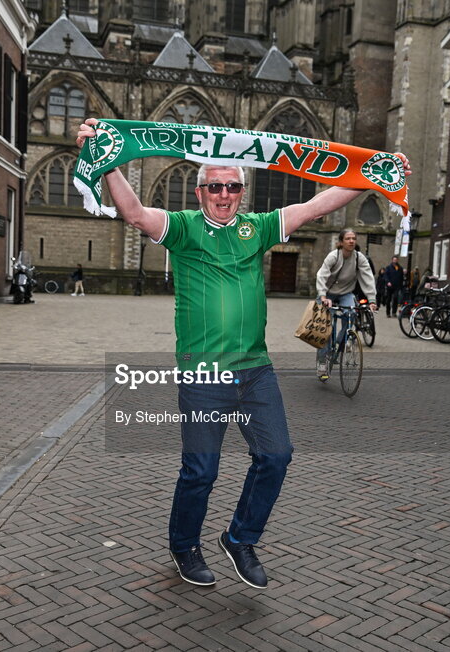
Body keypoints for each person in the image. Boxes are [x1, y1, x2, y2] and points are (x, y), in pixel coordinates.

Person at [77, 117, 411, 590]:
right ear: (200, 193)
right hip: (204, 373)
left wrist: (373, 174)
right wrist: (107, 160)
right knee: (201, 470)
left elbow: (317, 206)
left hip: (255, 371)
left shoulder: (258, 226)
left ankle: (239, 538)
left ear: (242, 191)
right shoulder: (184, 229)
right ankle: (183, 546)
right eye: (214, 187)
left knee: (276, 456)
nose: (224, 194)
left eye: (232, 186)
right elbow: (134, 214)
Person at [315, 230, 377, 379]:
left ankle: (339, 343)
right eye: (348, 239)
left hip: (345, 293)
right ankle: (322, 363)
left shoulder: (359, 258)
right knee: (324, 329)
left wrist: (372, 300)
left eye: (353, 238)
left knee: (351, 313)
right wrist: (322, 295)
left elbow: (367, 277)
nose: (351, 241)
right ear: (341, 242)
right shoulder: (333, 256)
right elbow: (321, 275)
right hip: (327, 293)